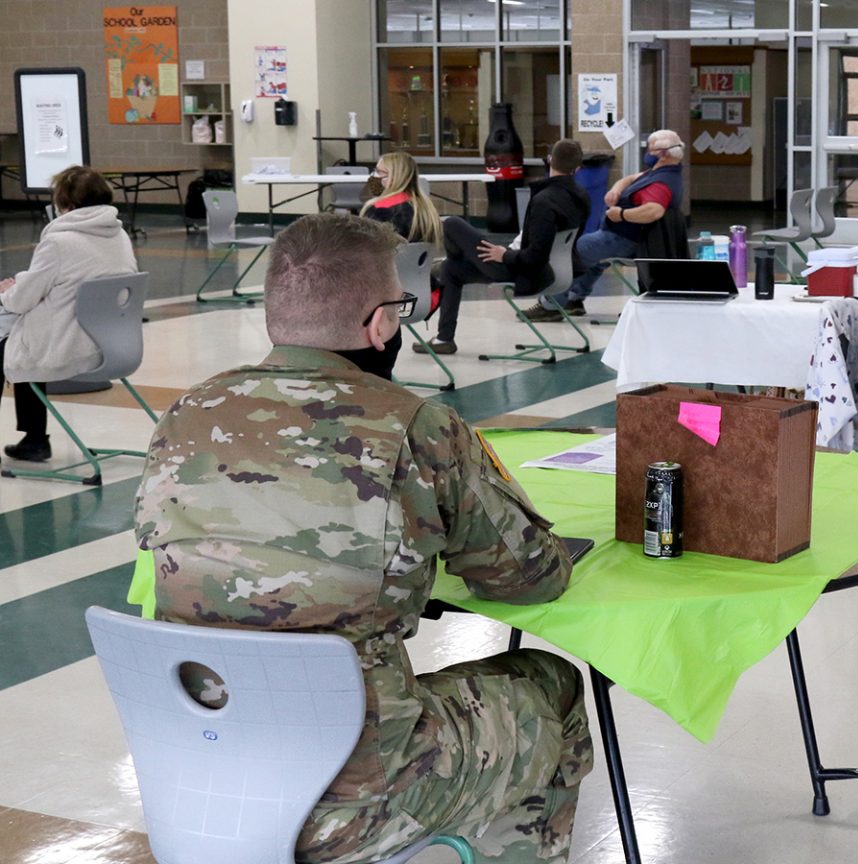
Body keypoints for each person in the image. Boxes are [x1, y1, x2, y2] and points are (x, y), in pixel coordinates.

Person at [134, 212, 592, 864]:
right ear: (380, 324)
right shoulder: (418, 426)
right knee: (551, 684)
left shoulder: (185, 415)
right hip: (355, 800)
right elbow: (532, 577)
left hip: (207, 773)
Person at [0, 165, 136, 463]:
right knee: (21, 341)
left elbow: (20, 301)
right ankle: (33, 439)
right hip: (115, 347)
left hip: (68, 349)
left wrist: (8, 290)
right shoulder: (119, 235)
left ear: (67, 206)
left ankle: (36, 438)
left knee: (11, 340)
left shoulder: (59, 241)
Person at [419, 139, 593, 354]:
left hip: (526, 271)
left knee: (453, 224)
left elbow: (536, 256)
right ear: (577, 168)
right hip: (556, 270)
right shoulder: (582, 197)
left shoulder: (545, 201)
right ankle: (444, 339)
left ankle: (450, 259)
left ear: (549, 161)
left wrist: (505, 256)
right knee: (451, 271)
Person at [526, 129, 686, 322]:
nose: (648, 153)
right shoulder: (663, 171)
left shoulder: (661, 183)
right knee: (595, 256)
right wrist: (617, 188)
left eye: (651, 150)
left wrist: (622, 214)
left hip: (626, 239)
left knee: (572, 251)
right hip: (621, 235)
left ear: (663, 153)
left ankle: (550, 305)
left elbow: (654, 210)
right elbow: (632, 178)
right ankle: (574, 300)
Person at [360, 151, 443, 249]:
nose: (374, 176)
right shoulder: (425, 208)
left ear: (394, 177)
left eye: (379, 172)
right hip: (419, 263)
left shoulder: (378, 210)